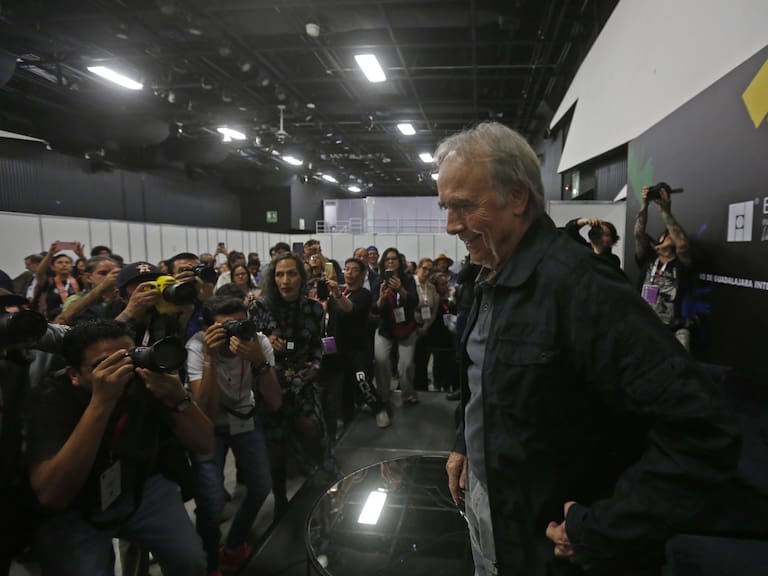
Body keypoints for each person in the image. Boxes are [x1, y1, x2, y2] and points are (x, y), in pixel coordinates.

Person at [436, 122, 740, 576]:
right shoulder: (484, 277)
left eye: (464, 206)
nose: (451, 225)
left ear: (517, 198)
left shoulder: (581, 287)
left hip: (545, 545)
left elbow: (705, 432)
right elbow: (481, 379)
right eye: (446, 207)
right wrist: (465, 443)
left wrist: (604, 528)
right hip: (488, 517)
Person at [24, 319, 213, 575]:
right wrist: (101, 403)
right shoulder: (51, 398)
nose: (121, 372)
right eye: (104, 365)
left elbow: (204, 443)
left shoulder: (144, 381)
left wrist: (177, 397)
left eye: (127, 359)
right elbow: (52, 494)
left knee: (190, 561)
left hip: (139, 484)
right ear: (74, 375)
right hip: (76, 507)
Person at [186, 296, 281, 574]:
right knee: (211, 502)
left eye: (239, 325)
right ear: (208, 330)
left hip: (245, 419)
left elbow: (275, 402)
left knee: (262, 486)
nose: (233, 334)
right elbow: (204, 412)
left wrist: (259, 361)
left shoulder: (257, 342)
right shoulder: (197, 347)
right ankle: (210, 559)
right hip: (210, 424)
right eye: (224, 328)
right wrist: (210, 359)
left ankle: (234, 544)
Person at [634, 184, 693, 350]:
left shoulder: (681, 264)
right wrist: (644, 204)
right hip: (646, 325)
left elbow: (682, 243)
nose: (669, 236)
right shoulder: (648, 259)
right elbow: (638, 234)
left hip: (675, 328)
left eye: (670, 235)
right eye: (665, 235)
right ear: (657, 243)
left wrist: (664, 210)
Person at [372, 247, 419, 407]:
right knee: (381, 361)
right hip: (385, 328)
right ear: (383, 263)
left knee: (405, 365)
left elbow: (414, 302)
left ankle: (408, 394)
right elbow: (374, 309)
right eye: (387, 259)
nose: (391, 261)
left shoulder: (408, 280)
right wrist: (381, 298)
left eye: (394, 259)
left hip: (406, 327)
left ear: (400, 262)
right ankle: (383, 395)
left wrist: (401, 290)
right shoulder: (378, 281)